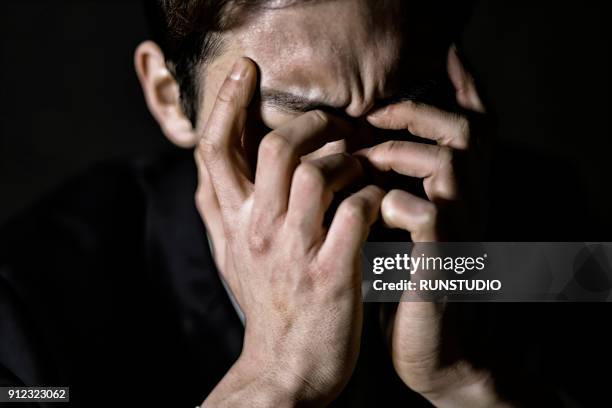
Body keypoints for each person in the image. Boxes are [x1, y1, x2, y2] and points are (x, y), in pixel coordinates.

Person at [0, 1, 592, 406]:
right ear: (168, 97)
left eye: (406, 106)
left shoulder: (550, 241)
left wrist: (468, 382)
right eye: (301, 122)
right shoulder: (30, 310)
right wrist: (272, 384)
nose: (359, 172)